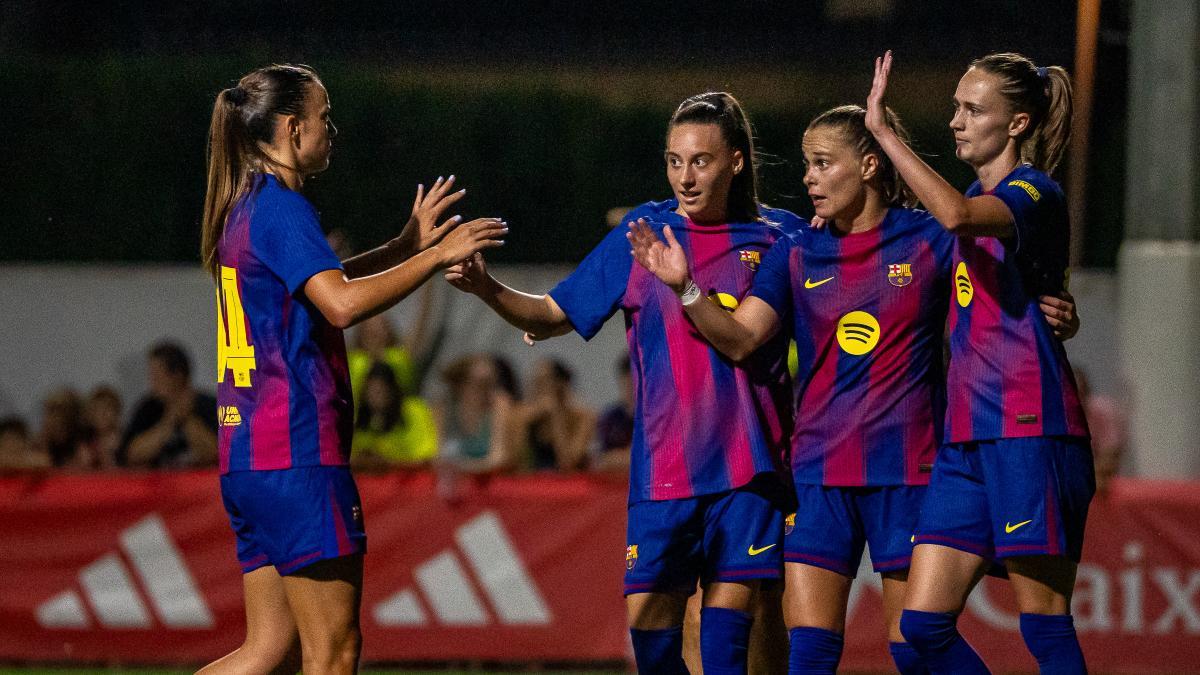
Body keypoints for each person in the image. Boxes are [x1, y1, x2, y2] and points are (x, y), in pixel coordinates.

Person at [630, 103, 1080, 673]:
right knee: (811, 653)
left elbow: (1000, 285)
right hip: (817, 474)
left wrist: (1056, 307)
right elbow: (743, 338)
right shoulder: (795, 250)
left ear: (869, 166)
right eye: (806, 165)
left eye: (821, 164)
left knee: (914, 644)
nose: (807, 178)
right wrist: (686, 288)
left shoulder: (928, 239)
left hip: (909, 471)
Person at [447, 92, 796, 675]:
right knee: (649, 633)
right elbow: (553, 313)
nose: (685, 177)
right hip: (664, 471)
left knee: (726, 642)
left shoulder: (778, 240)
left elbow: (757, 331)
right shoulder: (641, 238)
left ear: (736, 161)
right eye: (674, 160)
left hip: (747, 471)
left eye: (701, 161)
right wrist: (487, 290)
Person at [197, 63, 505, 674]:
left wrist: (403, 247)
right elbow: (339, 304)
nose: (331, 130)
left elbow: (323, 284)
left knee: (270, 650)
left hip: (251, 458)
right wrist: (438, 255)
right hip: (297, 455)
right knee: (332, 652)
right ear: (290, 128)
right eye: (323, 117)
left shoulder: (247, 206)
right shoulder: (281, 209)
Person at [865, 51, 1093, 673]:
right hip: (967, 437)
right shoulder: (971, 192)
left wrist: (883, 133)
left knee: (1044, 625)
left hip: (1029, 426)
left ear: (1017, 124)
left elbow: (957, 219)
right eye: (956, 108)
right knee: (920, 627)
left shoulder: (1030, 190)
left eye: (973, 109)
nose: (957, 121)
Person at [120, 342, 218, 468]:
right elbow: (132, 455)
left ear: (177, 376)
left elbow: (217, 454)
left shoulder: (209, 405)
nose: (152, 383)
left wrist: (187, 419)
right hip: (158, 486)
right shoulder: (147, 408)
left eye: (157, 376)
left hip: (203, 485)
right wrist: (169, 422)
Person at [350, 362, 438, 470]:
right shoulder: (361, 418)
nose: (374, 397)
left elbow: (427, 457)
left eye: (380, 391)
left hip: (412, 479)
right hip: (373, 482)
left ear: (392, 390)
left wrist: (389, 462)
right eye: (370, 391)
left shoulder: (414, 410)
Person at [516, 358, 596, 472]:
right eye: (534, 382)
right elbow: (514, 460)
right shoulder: (525, 415)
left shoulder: (583, 416)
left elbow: (568, 463)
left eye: (543, 382)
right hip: (533, 481)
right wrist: (531, 418)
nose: (537, 389)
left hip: (567, 483)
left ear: (561, 385)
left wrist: (556, 416)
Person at [591, 353, 634, 473]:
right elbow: (600, 461)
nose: (632, 390)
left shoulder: (659, 417)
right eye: (628, 384)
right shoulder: (610, 416)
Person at [76, 385, 123, 470]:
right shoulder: (84, 441)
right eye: (98, 408)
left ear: (117, 412)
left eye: (108, 408)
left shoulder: (125, 439)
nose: (103, 413)